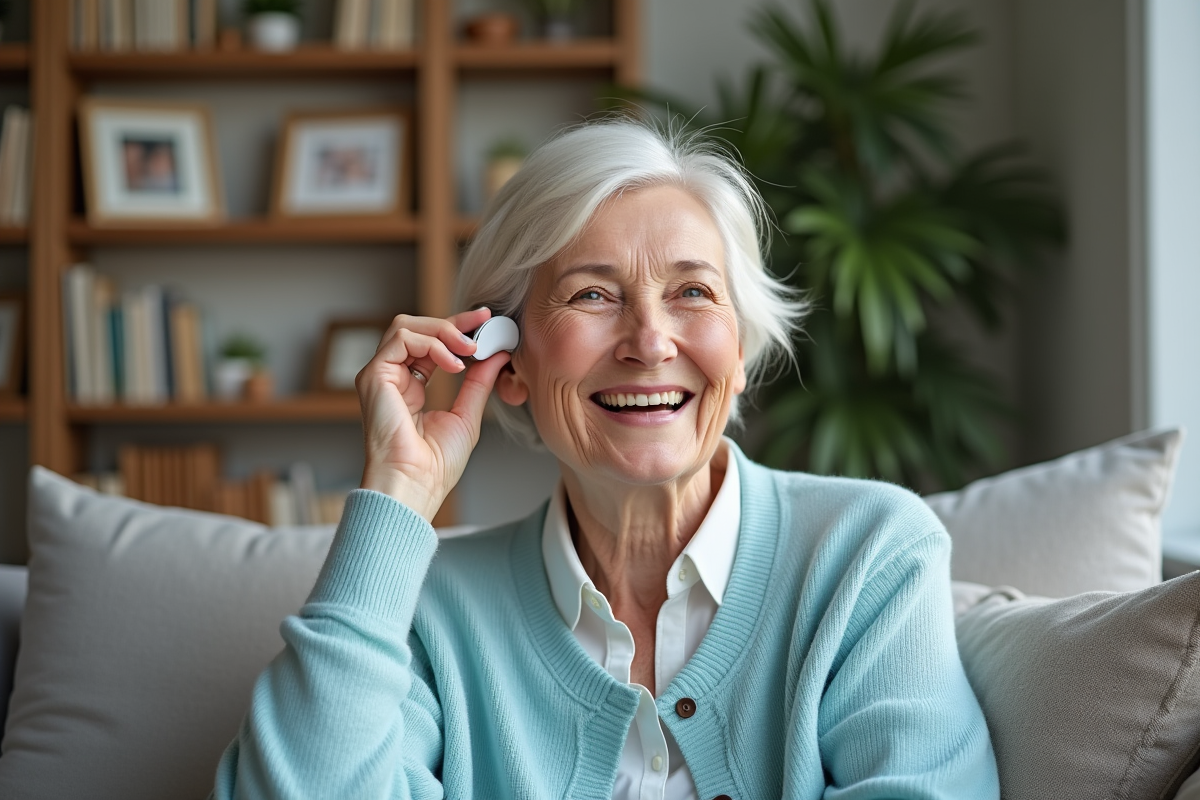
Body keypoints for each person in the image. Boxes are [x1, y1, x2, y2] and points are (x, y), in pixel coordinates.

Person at [212, 120, 1000, 799]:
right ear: (507, 362)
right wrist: (396, 492)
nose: (652, 341)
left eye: (693, 292)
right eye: (592, 295)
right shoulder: (427, 608)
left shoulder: (866, 554)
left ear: (740, 345)